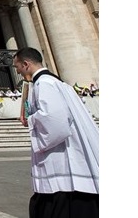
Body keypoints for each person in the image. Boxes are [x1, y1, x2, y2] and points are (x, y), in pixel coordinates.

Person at [12, 47, 99, 218]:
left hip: (63, 156)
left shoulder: (44, 84)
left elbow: (55, 121)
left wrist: (29, 120)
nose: (18, 72)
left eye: (18, 67)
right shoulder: (55, 82)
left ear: (26, 64)